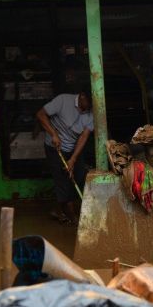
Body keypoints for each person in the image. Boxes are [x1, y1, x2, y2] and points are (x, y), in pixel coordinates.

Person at [36, 90, 94, 224]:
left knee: (79, 176)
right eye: (89, 103)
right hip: (55, 147)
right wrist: (53, 134)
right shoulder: (62, 100)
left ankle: (58, 209)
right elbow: (40, 114)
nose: (90, 107)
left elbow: (84, 136)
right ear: (82, 95)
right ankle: (72, 217)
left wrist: (73, 159)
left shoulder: (91, 112)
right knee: (63, 180)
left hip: (73, 149)